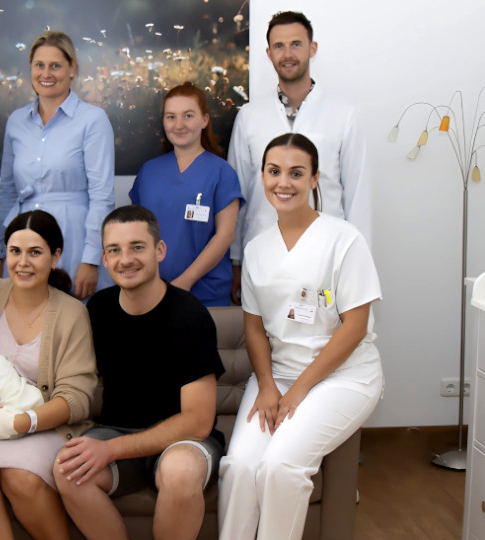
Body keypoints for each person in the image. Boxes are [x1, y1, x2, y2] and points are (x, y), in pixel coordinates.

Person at [217, 133, 383, 539]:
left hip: (343, 378)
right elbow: (254, 328)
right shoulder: (256, 249)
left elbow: (355, 326)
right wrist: (269, 387)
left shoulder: (344, 239)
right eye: (274, 172)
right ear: (262, 177)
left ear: (314, 179)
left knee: (280, 467)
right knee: (239, 467)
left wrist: (299, 390)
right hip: (278, 377)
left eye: (296, 173)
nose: (283, 183)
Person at [54, 205, 224, 540]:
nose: (125, 259)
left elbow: (198, 421)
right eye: (114, 250)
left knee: (179, 472)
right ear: (104, 259)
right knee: (67, 467)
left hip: (184, 441)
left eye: (137, 247)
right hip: (115, 431)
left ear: (159, 251)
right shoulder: (97, 311)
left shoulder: (191, 316)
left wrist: (112, 450)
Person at [0, 210, 97, 540]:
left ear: (55, 257)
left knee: (20, 478)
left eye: (35, 252)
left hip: (43, 426)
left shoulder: (73, 313)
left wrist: (21, 422)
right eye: (15, 252)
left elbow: (77, 398)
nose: (23, 262)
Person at [227, 11, 369, 304]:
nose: (287, 54)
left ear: (311, 49)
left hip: (328, 257)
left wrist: (358, 265)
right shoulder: (250, 118)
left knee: (325, 341)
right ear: (268, 54)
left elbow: (358, 196)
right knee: (263, 340)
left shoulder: (344, 115)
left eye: (296, 44)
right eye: (279, 46)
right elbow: (238, 194)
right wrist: (236, 260)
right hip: (262, 254)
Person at [0, 30, 115, 300]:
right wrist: (4, 252)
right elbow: (7, 191)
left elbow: (102, 196)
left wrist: (92, 257)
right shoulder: (16, 121)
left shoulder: (92, 120)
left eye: (55, 66)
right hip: (23, 238)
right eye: (39, 65)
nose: (46, 73)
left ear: (72, 68)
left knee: (72, 320)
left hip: (73, 237)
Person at [129, 82, 243, 307]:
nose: (178, 125)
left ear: (204, 120)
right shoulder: (149, 172)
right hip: (151, 292)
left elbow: (224, 236)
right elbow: (134, 233)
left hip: (205, 294)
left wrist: (185, 281)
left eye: (188, 116)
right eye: (171, 117)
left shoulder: (222, 173)